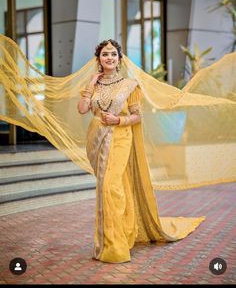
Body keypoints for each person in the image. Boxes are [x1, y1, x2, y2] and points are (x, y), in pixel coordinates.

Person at [77, 39, 205, 263]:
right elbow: (82, 109)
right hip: (96, 138)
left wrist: (118, 119)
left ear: (119, 59)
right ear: (98, 59)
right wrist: (90, 84)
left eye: (113, 54)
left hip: (120, 136)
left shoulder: (130, 85)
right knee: (114, 186)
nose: (109, 58)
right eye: (104, 54)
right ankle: (122, 232)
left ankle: (115, 245)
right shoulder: (94, 85)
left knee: (111, 186)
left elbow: (138, 116)